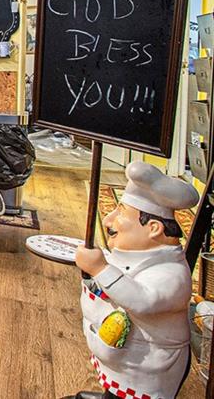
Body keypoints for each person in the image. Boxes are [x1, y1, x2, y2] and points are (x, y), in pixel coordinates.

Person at [68, 161, 199, 399]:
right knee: (115, 392)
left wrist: (100, 268)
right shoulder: (133, 256)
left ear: (154, 228)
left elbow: (142, 300)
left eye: (121, 213)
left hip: (148, 369)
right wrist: (91, 275)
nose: (108, 220)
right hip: (124, 360)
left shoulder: (172, 274)